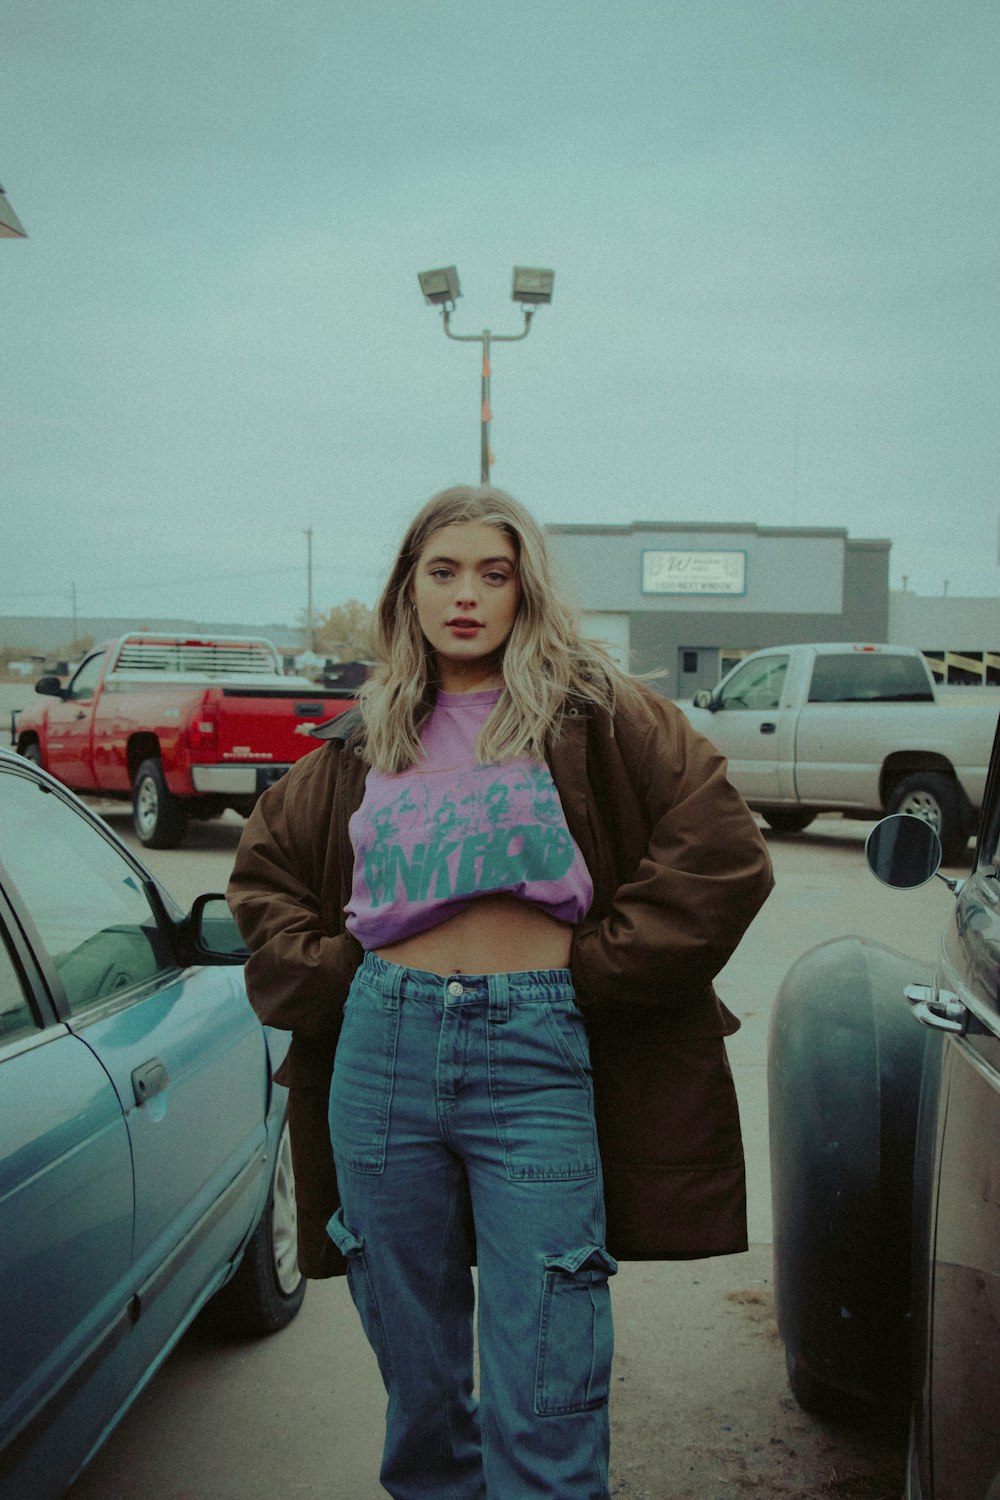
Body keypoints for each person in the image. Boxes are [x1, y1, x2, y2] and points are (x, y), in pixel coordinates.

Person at [227, 485, 774, 1500]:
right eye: (443, 572)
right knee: (418, 1375)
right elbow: (263, 878)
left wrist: (593, 972)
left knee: (550, 1357)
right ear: (409, 588)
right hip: (383, 1051)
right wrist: (340, 973)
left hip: (536, 1054)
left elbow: (722, 855)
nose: (467, 596)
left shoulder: (594, 713)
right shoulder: (366, 734)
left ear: (526, 588)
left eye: (493, 572)